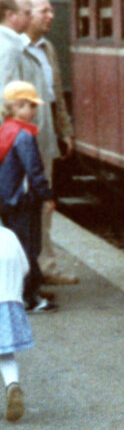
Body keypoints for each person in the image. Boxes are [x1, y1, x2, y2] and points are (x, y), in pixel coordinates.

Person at [24, 0, 75, 285]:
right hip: (22, 138)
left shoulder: (48, 48)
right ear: (27, 14)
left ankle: (46, 267)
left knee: (44, 203)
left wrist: (64, 129)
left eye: (51, 10)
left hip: (45, 136)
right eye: (44, 11)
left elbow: (55, 93)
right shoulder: (16, 49)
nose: (51, 16)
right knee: (24, 204)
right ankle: (31, 271)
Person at [0, 81, 55, 313]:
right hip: (23, 201)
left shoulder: (5, 130)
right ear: (16, 106)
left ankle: (20, 294)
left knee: (17, 248)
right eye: (30, 105)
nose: (34, 110)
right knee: (29, 249)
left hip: (7, 201)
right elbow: (34, 171)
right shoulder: (23, 135)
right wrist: (47, 196)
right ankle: (30, 298)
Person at [0, 221, 32, 420]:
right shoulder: (9, 236)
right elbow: (25, 267)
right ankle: (12, 385)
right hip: (10, 303)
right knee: (5, 353)